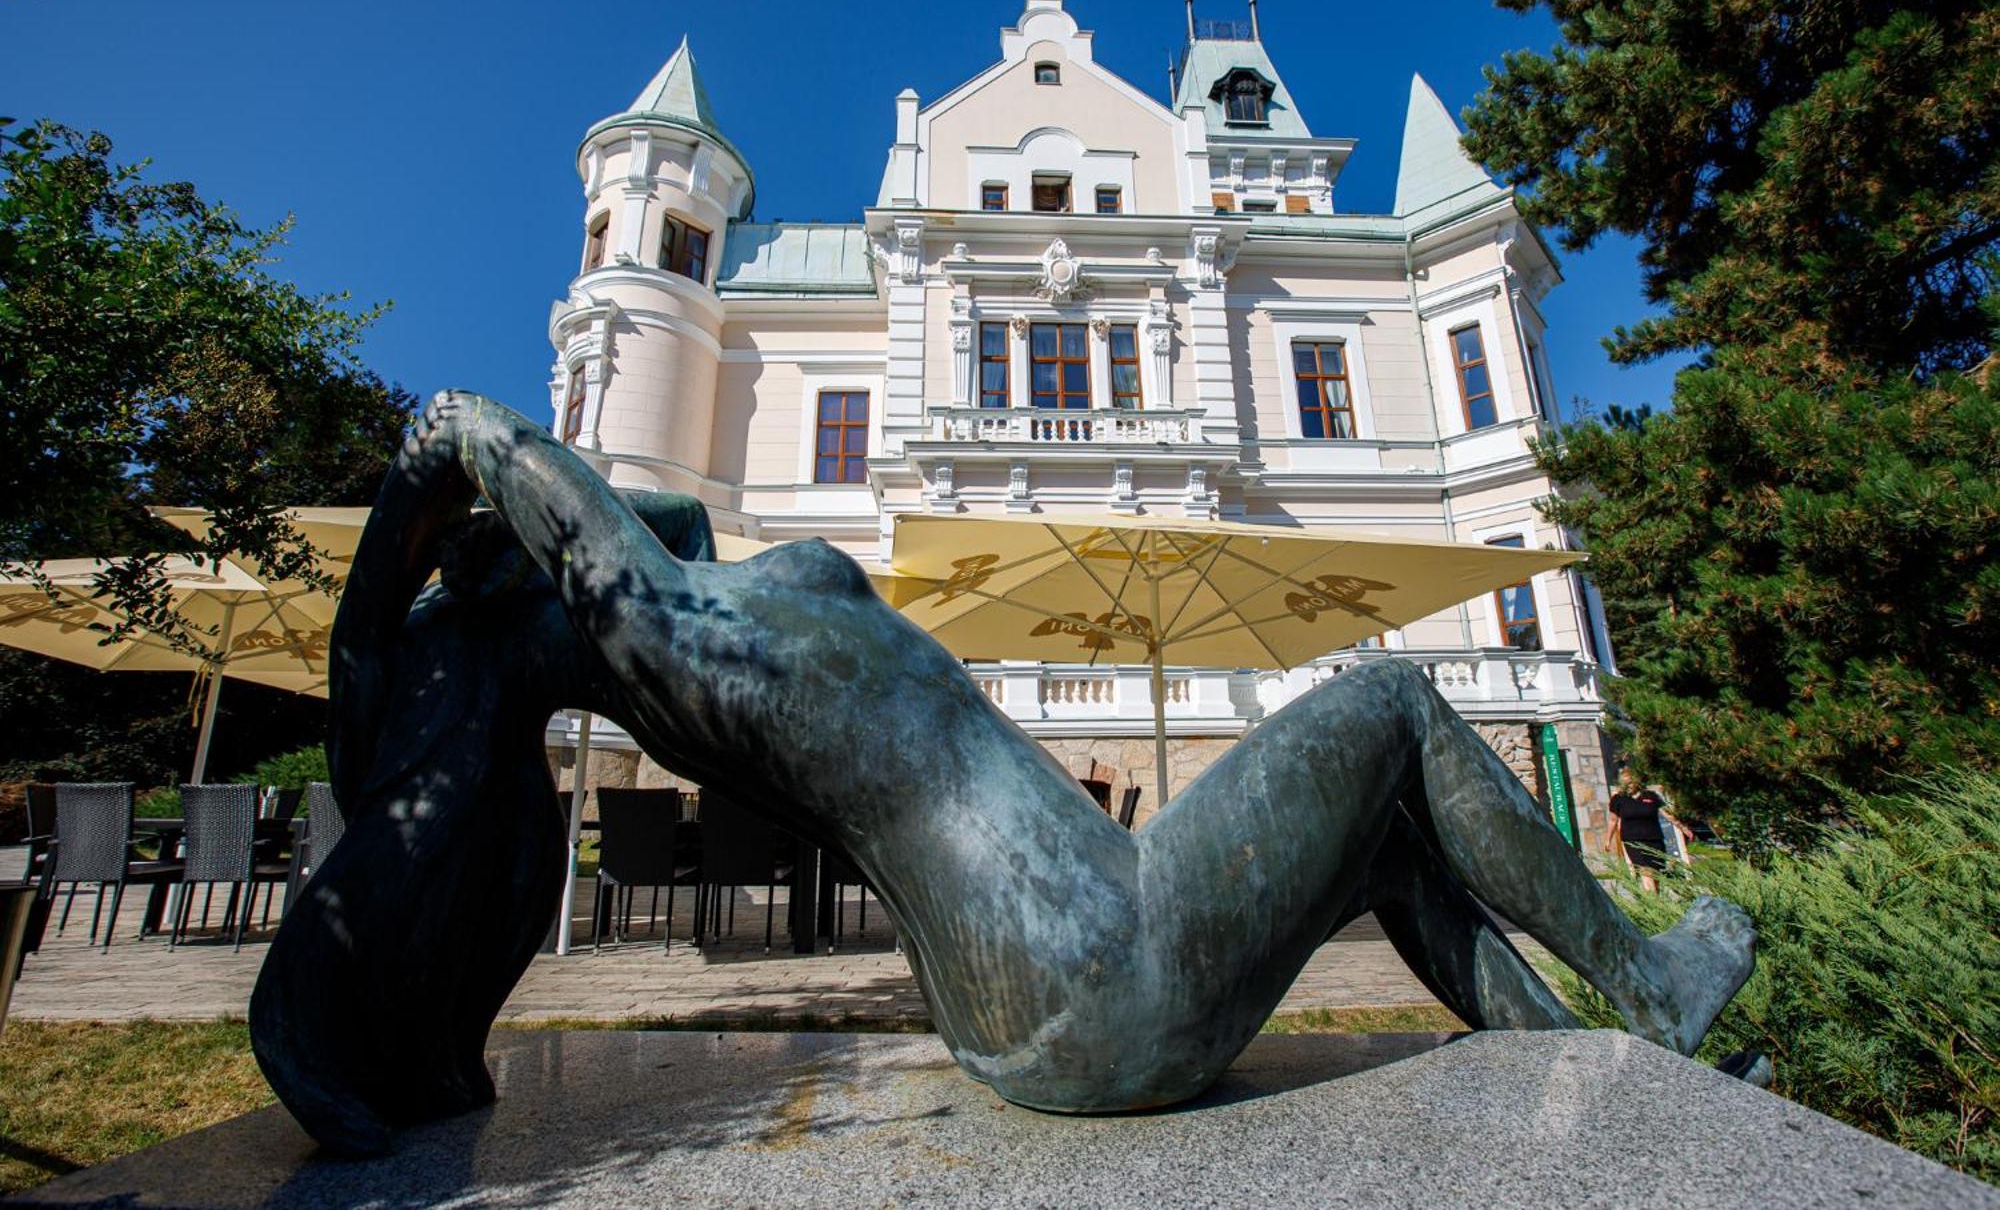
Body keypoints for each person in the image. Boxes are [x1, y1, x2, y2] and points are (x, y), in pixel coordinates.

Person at [254, 391, 1758, 1155]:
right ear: (549, 588)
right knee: (1392, 703)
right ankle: (1654, 977)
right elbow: (609, 558)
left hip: (1067, 981)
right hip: (1100, 970)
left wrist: (442, 541)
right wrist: (448, 446)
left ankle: (1604, 1052)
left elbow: (652, 523)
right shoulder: (675, 650)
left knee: (1382, 841)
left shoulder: (701, 604)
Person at [1608, 770, 1696, 893]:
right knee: (1646, 871)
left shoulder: (1650, 796)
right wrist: (1608, 840)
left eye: (1633, 782)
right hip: (1633, 841)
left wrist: (1684, 828)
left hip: (1654, 839)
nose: (1631, 785)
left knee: (1655, 873)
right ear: (1623, 784)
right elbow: (1613, 820)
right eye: (1628, 783)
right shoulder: (1618, 799)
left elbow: (1668, 815)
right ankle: (1653, 901)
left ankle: (1654, 903)